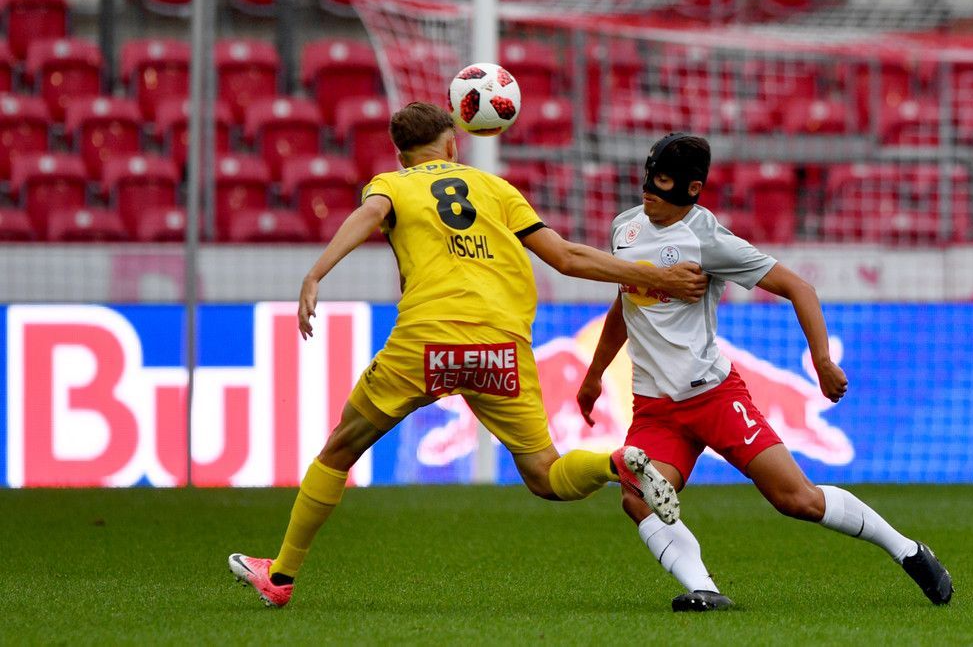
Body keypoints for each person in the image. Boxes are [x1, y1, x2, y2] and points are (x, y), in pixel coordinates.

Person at [228, 102, 707, 608]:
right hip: (501, 346)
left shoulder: (392, 185)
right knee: (546, 476)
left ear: (401, 156)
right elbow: (567, 257)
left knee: (339, 452)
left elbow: (369, 214)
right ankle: (614, 463)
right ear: (453, 144)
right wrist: (658, 276)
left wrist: (316, 273)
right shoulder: (497, 189)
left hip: (426, 342)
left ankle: (280, 576)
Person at [576, 133, 953, 612]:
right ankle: (705, 589)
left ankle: (908, 550)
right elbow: (624, 304)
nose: (648, 189)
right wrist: (595, 374)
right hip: (655, 409)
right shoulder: (624, 229)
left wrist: (822, 361)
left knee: (797, 500)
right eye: (648, 177)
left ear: (693, 189)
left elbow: (799, 288)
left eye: (663, 181)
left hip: (712, 396)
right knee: (637, 497)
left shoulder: (708, 239)